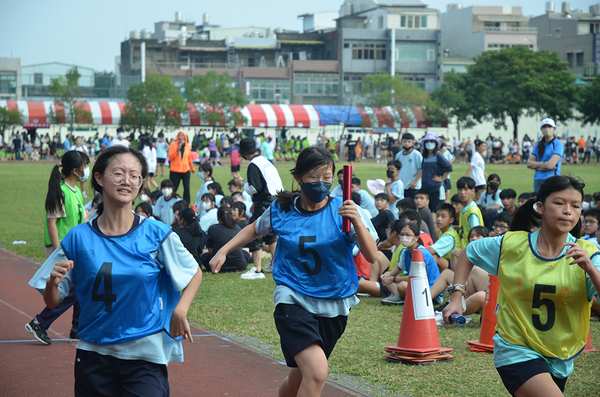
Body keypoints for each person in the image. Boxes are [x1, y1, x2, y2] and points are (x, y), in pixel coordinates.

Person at [28, 145, 202, 396]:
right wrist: (52, 285)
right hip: (93, 356)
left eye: (135, 176)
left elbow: (194, 272)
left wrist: (180, 310)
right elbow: (52, 301)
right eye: (118, 173)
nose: (127, 181)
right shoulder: (78, 237)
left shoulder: (157, 234)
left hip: (145, 355)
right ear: (98, 177)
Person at [210, 146, 378, 397]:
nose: (321, 183)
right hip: (293, 297)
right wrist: (223, 250)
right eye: (313, 177)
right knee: (317, 372)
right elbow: (255, 229)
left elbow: (372, 255)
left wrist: (357, 223)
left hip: (334, 300)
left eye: (327, 177)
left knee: (300, 377)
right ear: (299, 177)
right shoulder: (282, 208)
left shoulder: (345, 211)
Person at [443, 175, 600, 397]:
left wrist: (591, 270)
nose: (568, 211)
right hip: (515, 348)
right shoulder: (512, 244)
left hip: (560, 355)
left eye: (575, 206)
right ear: (540, 207)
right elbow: (470, 252)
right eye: (559, 203)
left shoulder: (589, 254)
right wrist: (457, 296)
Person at [25, 150, 91, 345]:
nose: (86, 171)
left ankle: (77, 328)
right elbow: (52, 223)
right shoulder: (60, 191)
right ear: (75, 170)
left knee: (81, 285)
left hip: (75, 247)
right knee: (74, 290)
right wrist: (57, 252)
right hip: (63, 248)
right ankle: (40, 322)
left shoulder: (76, 191)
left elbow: (83, 218)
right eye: (85, 167)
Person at [235, 137, 283, 278]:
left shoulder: (253, 164)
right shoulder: (264, 161)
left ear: (243, 153)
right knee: (271, 234)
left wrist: (241, 183)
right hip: (276, 199)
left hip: (265, 201)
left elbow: (255, 187)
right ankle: (276, 265)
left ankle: (257, 270)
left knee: (255, 231)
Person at [380, 222, 441, 305]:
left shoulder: (421, 253)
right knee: (387, 275)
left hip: (430, 291)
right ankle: (401, 297)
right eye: (402, 234)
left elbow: (416, 277)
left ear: (416, 238)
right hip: (417, 285)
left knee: (402, 286)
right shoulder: (406, 251)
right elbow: (398, 268)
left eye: (408, 235)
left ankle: (403, 297)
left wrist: (393, 279)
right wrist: (388, 275)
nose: (404, 237)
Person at [201, 206, 250, 273]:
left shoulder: (212, 228)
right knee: (246, 251)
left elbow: (211, 252)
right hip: (240, 265)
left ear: (218, 218)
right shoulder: (237, 227)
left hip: (218, 265)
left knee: (203, 254)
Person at [527, 118, 564, 192]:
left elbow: (550, 165)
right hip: (537, 179)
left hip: (551, 178)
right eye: (544, 127)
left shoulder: (557, 144)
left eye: (549, 127)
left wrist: (537, 166)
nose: (547, 129)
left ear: (554, 129)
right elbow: (529, 164)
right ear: (541, 129)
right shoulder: (538, 145)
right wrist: (545, 163)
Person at [420, 133, 453, 212]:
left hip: (436, 188)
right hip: (425, 187)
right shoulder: (424, 156)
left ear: (435, 143)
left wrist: (442, 178)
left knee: (437, 210)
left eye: (431, 141)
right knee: (428, 209)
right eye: (427, 141)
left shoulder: (438, 154)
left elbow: (448, 167)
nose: (429, 143)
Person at [428, 203, 460, 271]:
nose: (439, 219)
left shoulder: (449, 237)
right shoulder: (442, 231)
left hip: (455, 267)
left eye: (443, 216)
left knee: (435, 257)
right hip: (448, 263)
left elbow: (430, 250)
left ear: (451, 220)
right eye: (437, 216)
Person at [456, 176, 484, 249]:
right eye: (460, 189)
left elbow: (476, 235)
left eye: (466, 189)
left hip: (470, 252)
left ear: (473, 191)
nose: (462, 192)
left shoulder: (472, 211)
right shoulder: (465, 209)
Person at [168, 131, 195, 204]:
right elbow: (170, 157)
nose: (180, 137)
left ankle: (186, 203)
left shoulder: (188, 146)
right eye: (179, 136)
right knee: (173, 188)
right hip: (175, 171)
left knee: (186, 188)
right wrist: (177, 149)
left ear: (185, 137)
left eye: (182, 136)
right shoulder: (173, 145)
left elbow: (189, 157)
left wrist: (192, 167)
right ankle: (170, 202)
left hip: (185, 170)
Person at [395, 132, 422, 200]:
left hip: (412, 186)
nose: (407, 143)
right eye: (405, 141)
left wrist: (415, 181)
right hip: (400, 186)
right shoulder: (398, 155)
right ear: (401, 142)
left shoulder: (417, 154)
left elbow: (421, 169)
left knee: (411, 207)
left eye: (409, 142)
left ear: (413, 143)